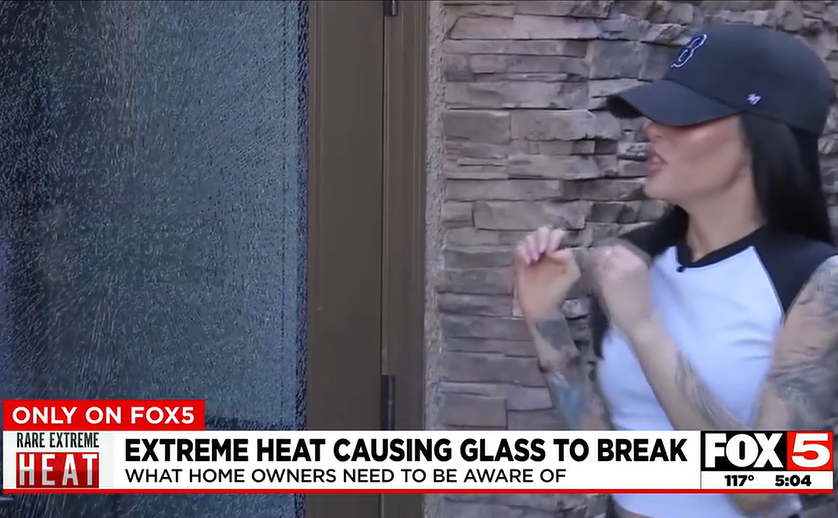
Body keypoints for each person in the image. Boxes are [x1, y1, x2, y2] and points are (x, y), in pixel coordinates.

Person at [513, 23, 837, 518]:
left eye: (686, 116)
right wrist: (544, 319)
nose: (652, 129)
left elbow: (760, 489)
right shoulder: (634, 261)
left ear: (761, 136)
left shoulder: (817, 281)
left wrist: (646, 328)